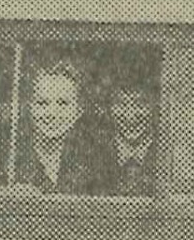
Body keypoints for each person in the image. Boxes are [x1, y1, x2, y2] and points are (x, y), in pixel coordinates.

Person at [8, 62, 116, 195]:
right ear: (30, 107)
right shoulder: (11, 161)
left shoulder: (94, 165)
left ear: (78, 110)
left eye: (63, 103)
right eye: (42, 103)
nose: (52, 114)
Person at [106, 82, 157, 196]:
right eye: (121, 104)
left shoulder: (167, 157)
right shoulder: (92, 157)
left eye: (140, 104)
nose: (130, 117)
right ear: (109, 107)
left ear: (154, 105)